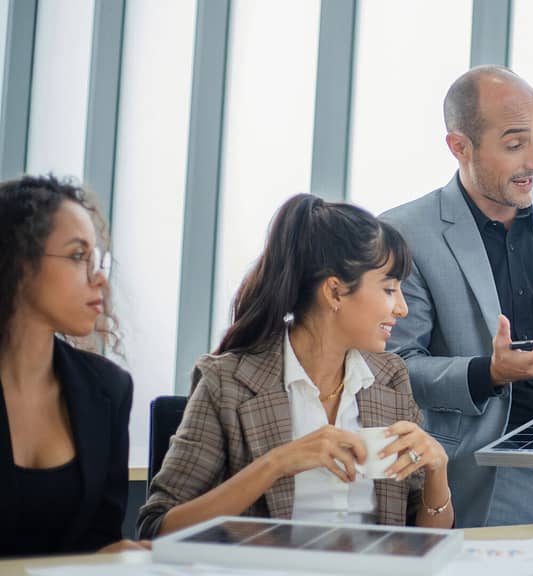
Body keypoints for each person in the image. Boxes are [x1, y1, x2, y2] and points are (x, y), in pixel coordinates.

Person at [381, 65, 533, 528]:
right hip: (471, 476)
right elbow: (392, 366)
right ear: (460, 146)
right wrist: (486, 373)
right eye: (515, 144)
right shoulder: (404, 232)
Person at [138, 194, 453, 538]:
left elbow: (424, 537)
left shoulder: (390, 379)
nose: (402, 308)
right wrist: (277, 464)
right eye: (390, 289)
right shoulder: (226, 382)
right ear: (334, 292)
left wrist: (437, 473)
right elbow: (158, 530)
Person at [0, 175, 145, 556]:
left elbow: (97, 539)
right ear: (17, 263)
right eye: (78, 256)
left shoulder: (110, 390)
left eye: (96, 260)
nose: (99, 278)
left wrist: (113, 555)